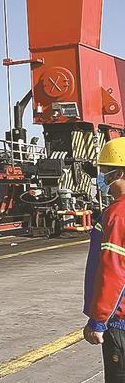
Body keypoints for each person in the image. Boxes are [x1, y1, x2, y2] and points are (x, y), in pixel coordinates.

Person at [83, 138, 125, 382]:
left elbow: (115, 272)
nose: (101, 178)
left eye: (105, 171)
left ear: (118, 173)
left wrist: (99, 320)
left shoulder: (118, 215)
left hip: (120, 322)